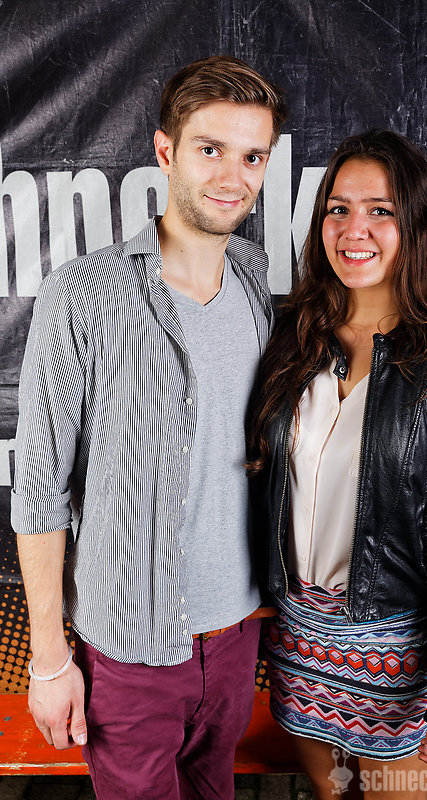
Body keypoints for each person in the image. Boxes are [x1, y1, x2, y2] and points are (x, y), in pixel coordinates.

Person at [12, 55, 287, 799]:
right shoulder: (83, 293)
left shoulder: (254, 280)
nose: (232, 176)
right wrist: (49, 659)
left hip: (237, 636)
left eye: (252, 156)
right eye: (210, 149)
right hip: (130, 648)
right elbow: (38, 490)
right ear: (165, 151)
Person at [248, 130, 427, 800]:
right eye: (338, 209)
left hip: (397, 652)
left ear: (414, 224)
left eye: (380, 210)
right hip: (299, 638)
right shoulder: (289, 339)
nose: (353, 229)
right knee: (328, 795)